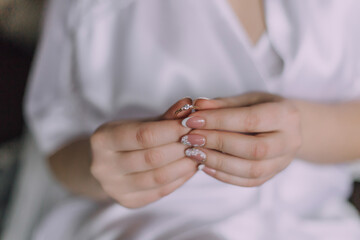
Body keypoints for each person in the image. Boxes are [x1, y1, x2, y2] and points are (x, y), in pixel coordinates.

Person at [25, 0, 360, 239]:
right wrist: (105, 170)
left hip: (322, 224)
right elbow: (57, 139)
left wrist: (301, 127)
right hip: (147, 226)